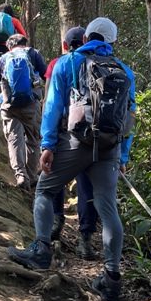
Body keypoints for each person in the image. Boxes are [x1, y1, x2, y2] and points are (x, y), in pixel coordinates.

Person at [7, 17, 137, 301]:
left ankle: (41, 251)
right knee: (107, 207)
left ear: (88, 36)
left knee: (43, 190)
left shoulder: (69, 62)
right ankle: (112, 280)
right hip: (108, 150)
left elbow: (53, 106)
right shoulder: (125, 72)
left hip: (75, 144)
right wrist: (123, 156)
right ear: (111, 42)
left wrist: (48, 145)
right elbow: (129, 119)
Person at [44, 26, 101, 260]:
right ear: (85, 41)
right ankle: (85, 240)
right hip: (96, 137)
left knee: (51, 180)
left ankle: (55, 222)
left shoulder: (59, 63)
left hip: (65, 134)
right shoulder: (102, 63)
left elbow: (50, 102)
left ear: (66, 44)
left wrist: (47, 140)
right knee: (88, 186)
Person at [0, 34, 48, 189]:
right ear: (24, 43)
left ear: (9, 45)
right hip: (31, 104)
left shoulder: (2, 59)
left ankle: (20, 176)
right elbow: (46, 75)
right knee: (33, 140)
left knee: (14, 140)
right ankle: (32, 176)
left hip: (9, 106)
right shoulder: (34, 54)